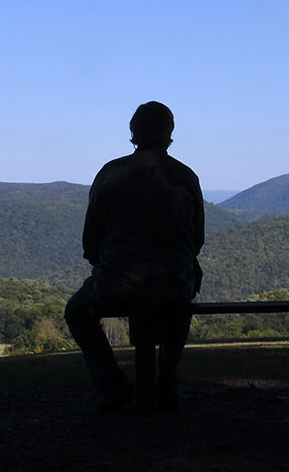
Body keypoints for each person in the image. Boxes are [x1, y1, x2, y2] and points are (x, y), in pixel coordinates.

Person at [64, 101, 205, 412]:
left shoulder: (111, 174)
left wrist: (108, 265)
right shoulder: (186, 177)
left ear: (133, 132)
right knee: (182, 294)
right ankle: (166, 380)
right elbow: (196, 240)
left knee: (76, 311)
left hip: (118, 283)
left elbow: (90, 240)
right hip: (174, 282)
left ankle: (111, 383)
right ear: (170, 133)